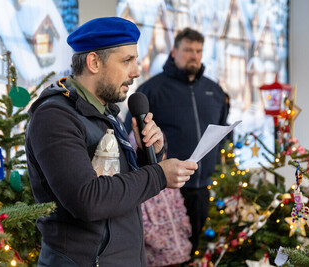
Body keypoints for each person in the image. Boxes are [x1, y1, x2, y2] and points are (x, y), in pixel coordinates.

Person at [25, 17, 198, 267]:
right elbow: (88, 199)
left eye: (135, 60)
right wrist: (159, 175)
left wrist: (147, 154)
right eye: (127, 60)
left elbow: (116, 185)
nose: (136, 71)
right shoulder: (55, 117)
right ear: (94, 62)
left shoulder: (105, 113)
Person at [125, 28, 229, 255]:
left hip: (203, 188)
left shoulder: (215, 91)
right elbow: (130, 138)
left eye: (198, 51)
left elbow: (223, 132)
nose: (194, 55)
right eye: (188, 50)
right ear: (174, 52)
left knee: (199, 253)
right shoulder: (151, 90)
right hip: (165, 190)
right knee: (168, 257)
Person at [141, 137, 192, 267]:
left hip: (179, 248)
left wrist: (185, 227)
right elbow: (142, 222)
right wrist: (159, 242)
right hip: (157, 256)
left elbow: (180, 207)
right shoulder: (142, 187)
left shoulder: (172, 183)